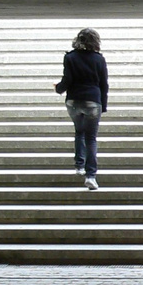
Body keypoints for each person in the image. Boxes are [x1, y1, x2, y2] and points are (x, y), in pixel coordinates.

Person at [54, 28, 109, 190]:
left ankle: (79, 166)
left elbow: (67, 80)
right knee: (91, 138)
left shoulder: (70, 57)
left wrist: (58, 89)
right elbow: (103, 84)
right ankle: (91, 176)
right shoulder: (99, 59)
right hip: (93, 101)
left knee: (79, 132)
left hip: (73, 101)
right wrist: (103, 105)